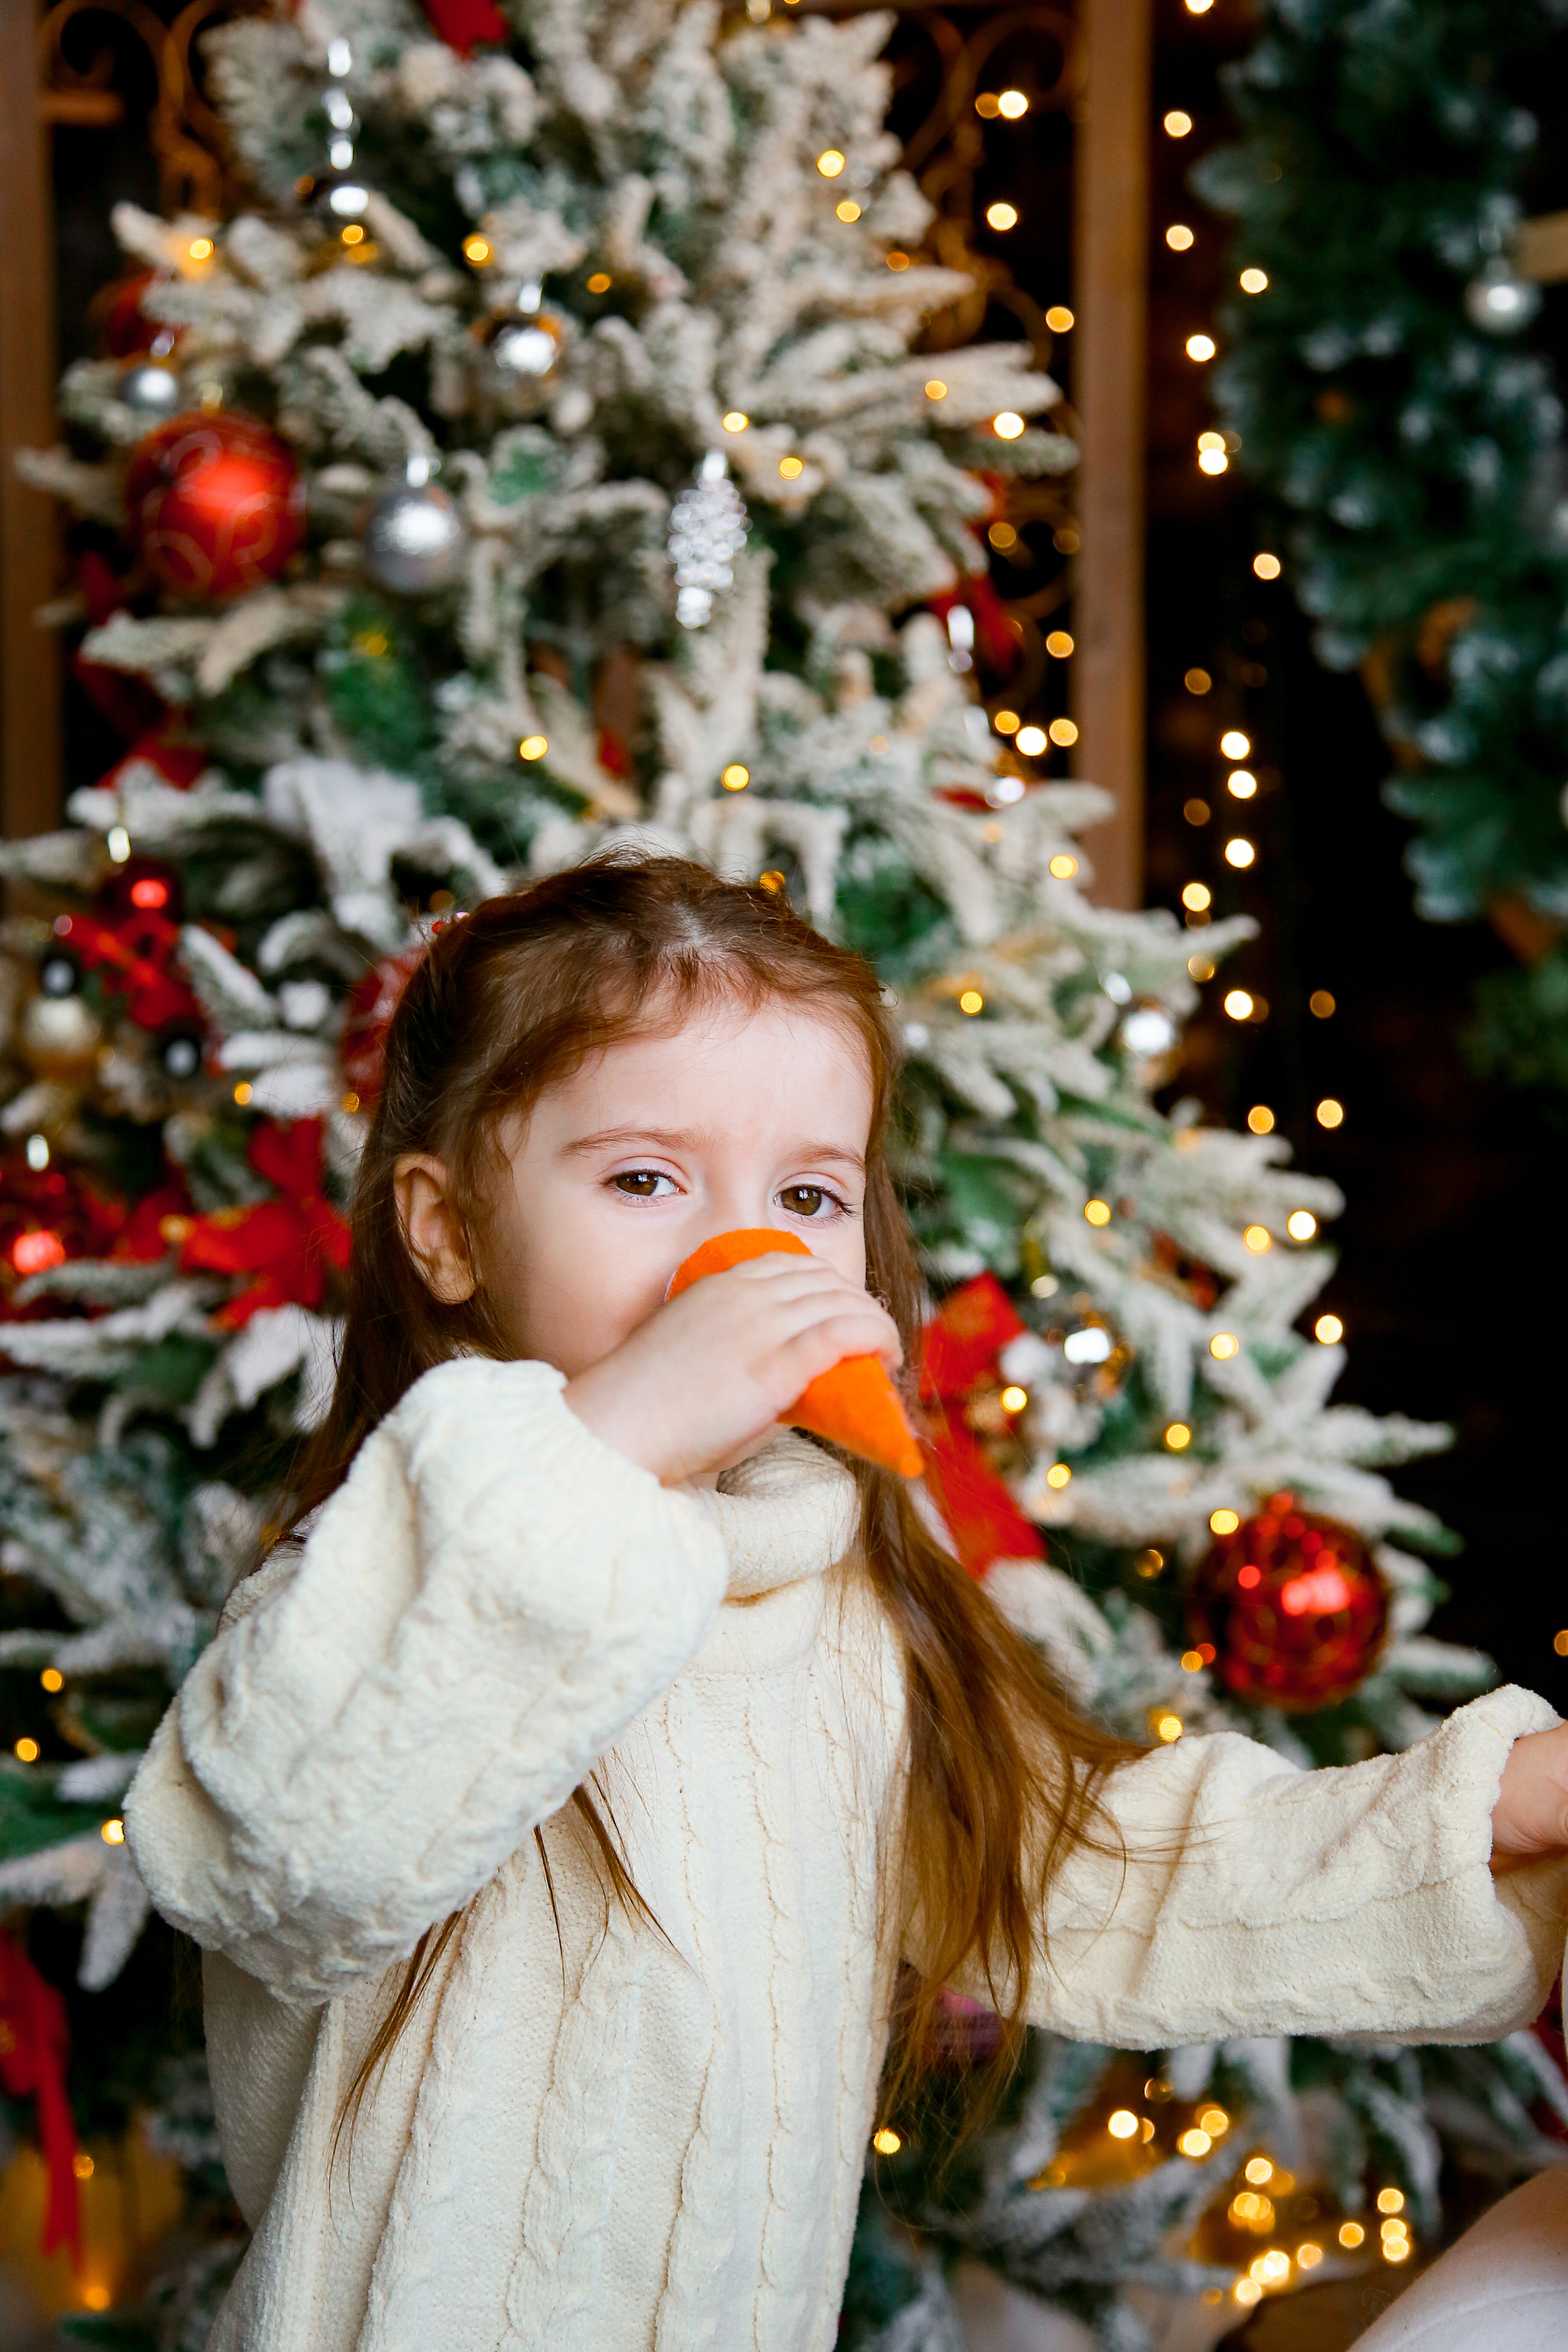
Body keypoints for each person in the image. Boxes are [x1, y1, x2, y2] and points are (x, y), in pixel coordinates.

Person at [125, 856, 1568, 2352]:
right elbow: (270, 1862)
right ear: (446, 1228)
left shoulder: (847, 1610)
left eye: (805, 1196)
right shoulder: (387, 1587)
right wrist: (610, 1441)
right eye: (641, 1178)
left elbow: (1104, 1873)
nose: (733, 1255)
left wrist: (1482, 1819)